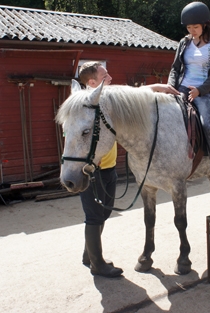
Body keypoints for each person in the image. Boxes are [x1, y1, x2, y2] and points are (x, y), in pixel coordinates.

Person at [167, 1, 210, 190]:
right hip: (181, 89)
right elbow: (175, 69)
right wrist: (171, 86)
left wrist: (200, 90)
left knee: (209, 125)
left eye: (195, 26)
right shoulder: (184, 43)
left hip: (204, 92)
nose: (192, 30)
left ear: (205, 25)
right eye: (188, 27)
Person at [77, 61, 122, 277]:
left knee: (104, 213)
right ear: (92, 82)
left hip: (109, 168)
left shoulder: (104, 102)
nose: (111, 78)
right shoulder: (85, 107)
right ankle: (98, 265)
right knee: (94, 216)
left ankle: (89, 255)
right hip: (92, 171)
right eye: (106, 75)